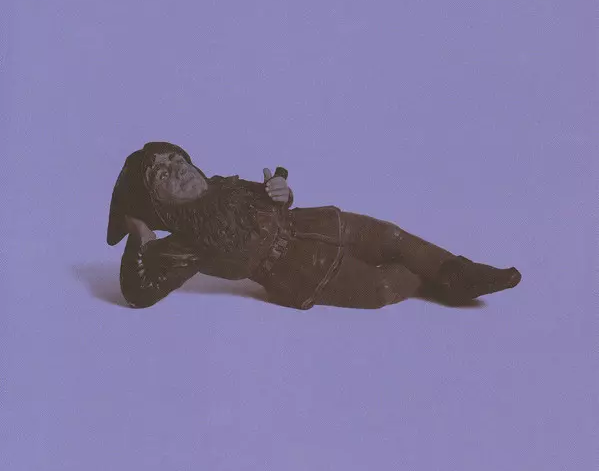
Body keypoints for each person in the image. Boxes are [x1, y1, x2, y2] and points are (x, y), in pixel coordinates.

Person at [107, 142, 521, 310]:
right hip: (298, 269)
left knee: (392, 237)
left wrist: (280, 192)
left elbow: (274, 198)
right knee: (380, 288)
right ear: (159, 207)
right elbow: (138, 291)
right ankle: (429, 283)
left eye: (176, 160)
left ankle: (458, 271)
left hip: (316, 224)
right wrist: (139, 232)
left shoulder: (226, 188)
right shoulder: (186, 244)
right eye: (161, 176)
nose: (177, 170)